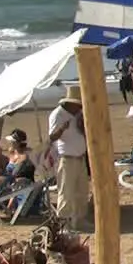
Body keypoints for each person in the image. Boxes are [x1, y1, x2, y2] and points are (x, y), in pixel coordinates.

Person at [48, 86, 89, 228]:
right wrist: (61, 129)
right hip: (67, 158)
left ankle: (80, 220)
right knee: (66, 193)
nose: (80, 107)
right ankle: (64, 223)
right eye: (78, 105)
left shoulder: (78, 115)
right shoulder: (57, 115)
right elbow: (52, 137)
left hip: (80, 157)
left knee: (82, 191)